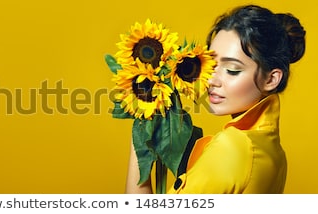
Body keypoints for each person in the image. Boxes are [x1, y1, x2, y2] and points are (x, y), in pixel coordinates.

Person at [125, 4, 306, 194]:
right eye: (211, 65)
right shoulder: (274, 152)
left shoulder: (232, 148)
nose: (211, 80)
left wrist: (141, 144)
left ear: (271, 79)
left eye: (232, 70)